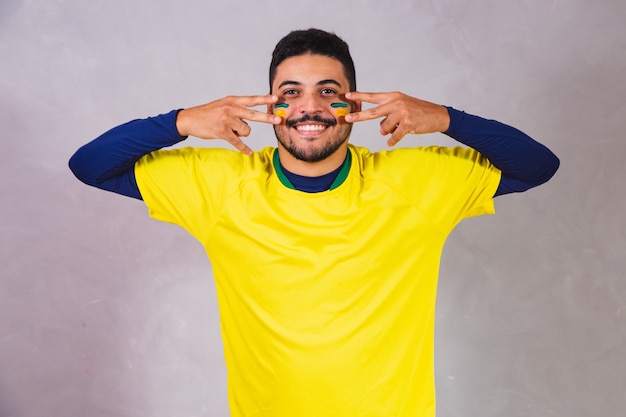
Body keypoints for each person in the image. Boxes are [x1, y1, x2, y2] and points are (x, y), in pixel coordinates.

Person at [69, 28, 559, 417]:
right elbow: (91, 165)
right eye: (291, 92)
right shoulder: (220, 187)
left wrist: (448, 118)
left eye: (330, 91)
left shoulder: (415, 181)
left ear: (355, 105)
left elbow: (536, 166)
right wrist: (179, 121)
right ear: (269, 106)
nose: (310, 107)